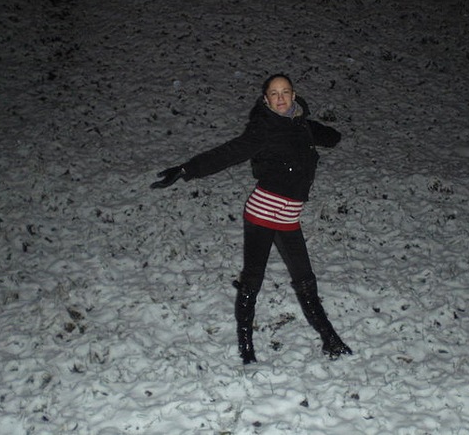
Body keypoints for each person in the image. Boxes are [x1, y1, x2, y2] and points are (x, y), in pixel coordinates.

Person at [151, 74, 352, 364]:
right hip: (263, 212)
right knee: (253, 281)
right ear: (266, 100)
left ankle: (330, 341)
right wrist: (186, 169)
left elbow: (329, 137)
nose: (280, 98)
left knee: (306, 281)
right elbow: (228, 153)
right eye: (274, 93)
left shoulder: (302, 125)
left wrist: (328, 134)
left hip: (288, 217)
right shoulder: (263, 129)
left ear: (294, 95)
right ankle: (246, 348)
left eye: (285, 92)